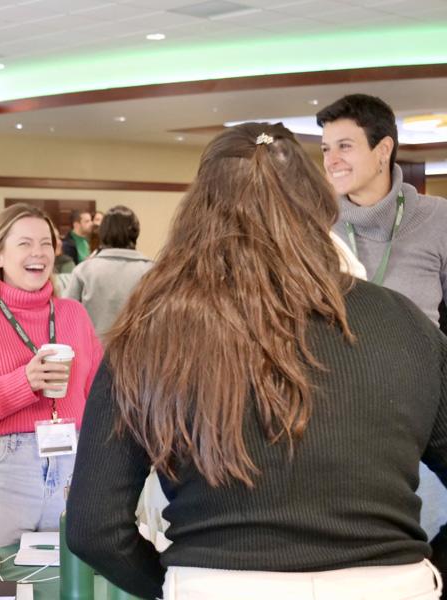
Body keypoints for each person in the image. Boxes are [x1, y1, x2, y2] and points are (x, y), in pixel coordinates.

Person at [66, 123, 446, 599]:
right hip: (390, 584)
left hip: (219, 584)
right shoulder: (404, 322)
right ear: (317, 205)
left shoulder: (150, 332)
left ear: (197, 210)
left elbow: (92, 527)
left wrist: (174, 584)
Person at [318, 93, 447, 542]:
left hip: (420, 414)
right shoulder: (316, 225)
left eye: (345, 146)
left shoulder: (436, 219)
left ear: (384, 149)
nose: (331, 160)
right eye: (325, 149)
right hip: (337, 411)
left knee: (420, 539)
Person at [0, 203, 103, 556]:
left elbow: (100, 398)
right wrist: (24, 383)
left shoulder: (73, 314)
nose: (39, 253)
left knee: (70, 583)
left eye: (46, 243)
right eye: (25, 244)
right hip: (4, 470)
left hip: (74, 467)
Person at [64, 205, 153, 337]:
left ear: (103, 232)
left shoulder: (84, 270)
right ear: (136, 232)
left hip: (93, 353)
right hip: (141, 353)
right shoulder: (152, 271)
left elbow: (66, 318)